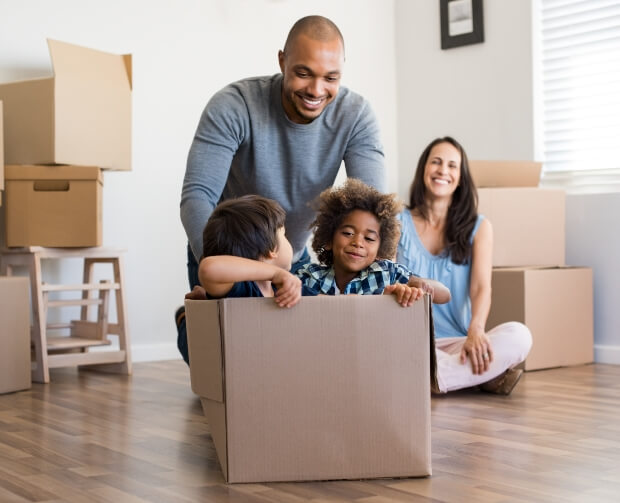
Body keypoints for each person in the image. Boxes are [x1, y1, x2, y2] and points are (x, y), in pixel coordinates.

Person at [177, 15, 386, 357]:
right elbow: (196, 197)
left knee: (293, 359)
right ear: (282, 61)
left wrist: (382, 278)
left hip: (291, 255)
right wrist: (224, 278)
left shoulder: (357, 116)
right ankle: (190, 323)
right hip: (228, 254)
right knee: (225, 364)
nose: (317, 91)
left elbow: (373, 209)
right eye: (304, 73)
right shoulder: (234, 105)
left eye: (330, 78)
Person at [396, 137, 532, 395]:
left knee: (520, 335)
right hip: (408, 340)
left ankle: (434, 378)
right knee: (394, 350)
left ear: (460, 178)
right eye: (435, 162)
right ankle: (479, 376)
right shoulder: (396, 221)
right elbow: (384, 281)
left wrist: (477, 330)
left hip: (458, 342)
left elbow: (481, 288)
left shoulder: (479, 228)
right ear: (423, 168)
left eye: (452, 165)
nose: (443, 171)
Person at [178, 195, 314, 365]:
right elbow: (208, 267)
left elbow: (321, 305)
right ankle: (184, 318)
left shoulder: (285, 289)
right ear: (272, 249)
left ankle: (202, 300)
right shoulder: (240, 290)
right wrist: (275, 273)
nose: (289, 241)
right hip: (231, 366)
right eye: (284, 234)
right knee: (196, 338)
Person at [296, 178, 450, 305]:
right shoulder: (311, 276)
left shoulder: (387, 273)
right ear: (329, 239)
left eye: (369, 238)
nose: (358, 242)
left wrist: (418, 284)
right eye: (348, 233)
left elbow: (445, 295)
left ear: (380, 249)